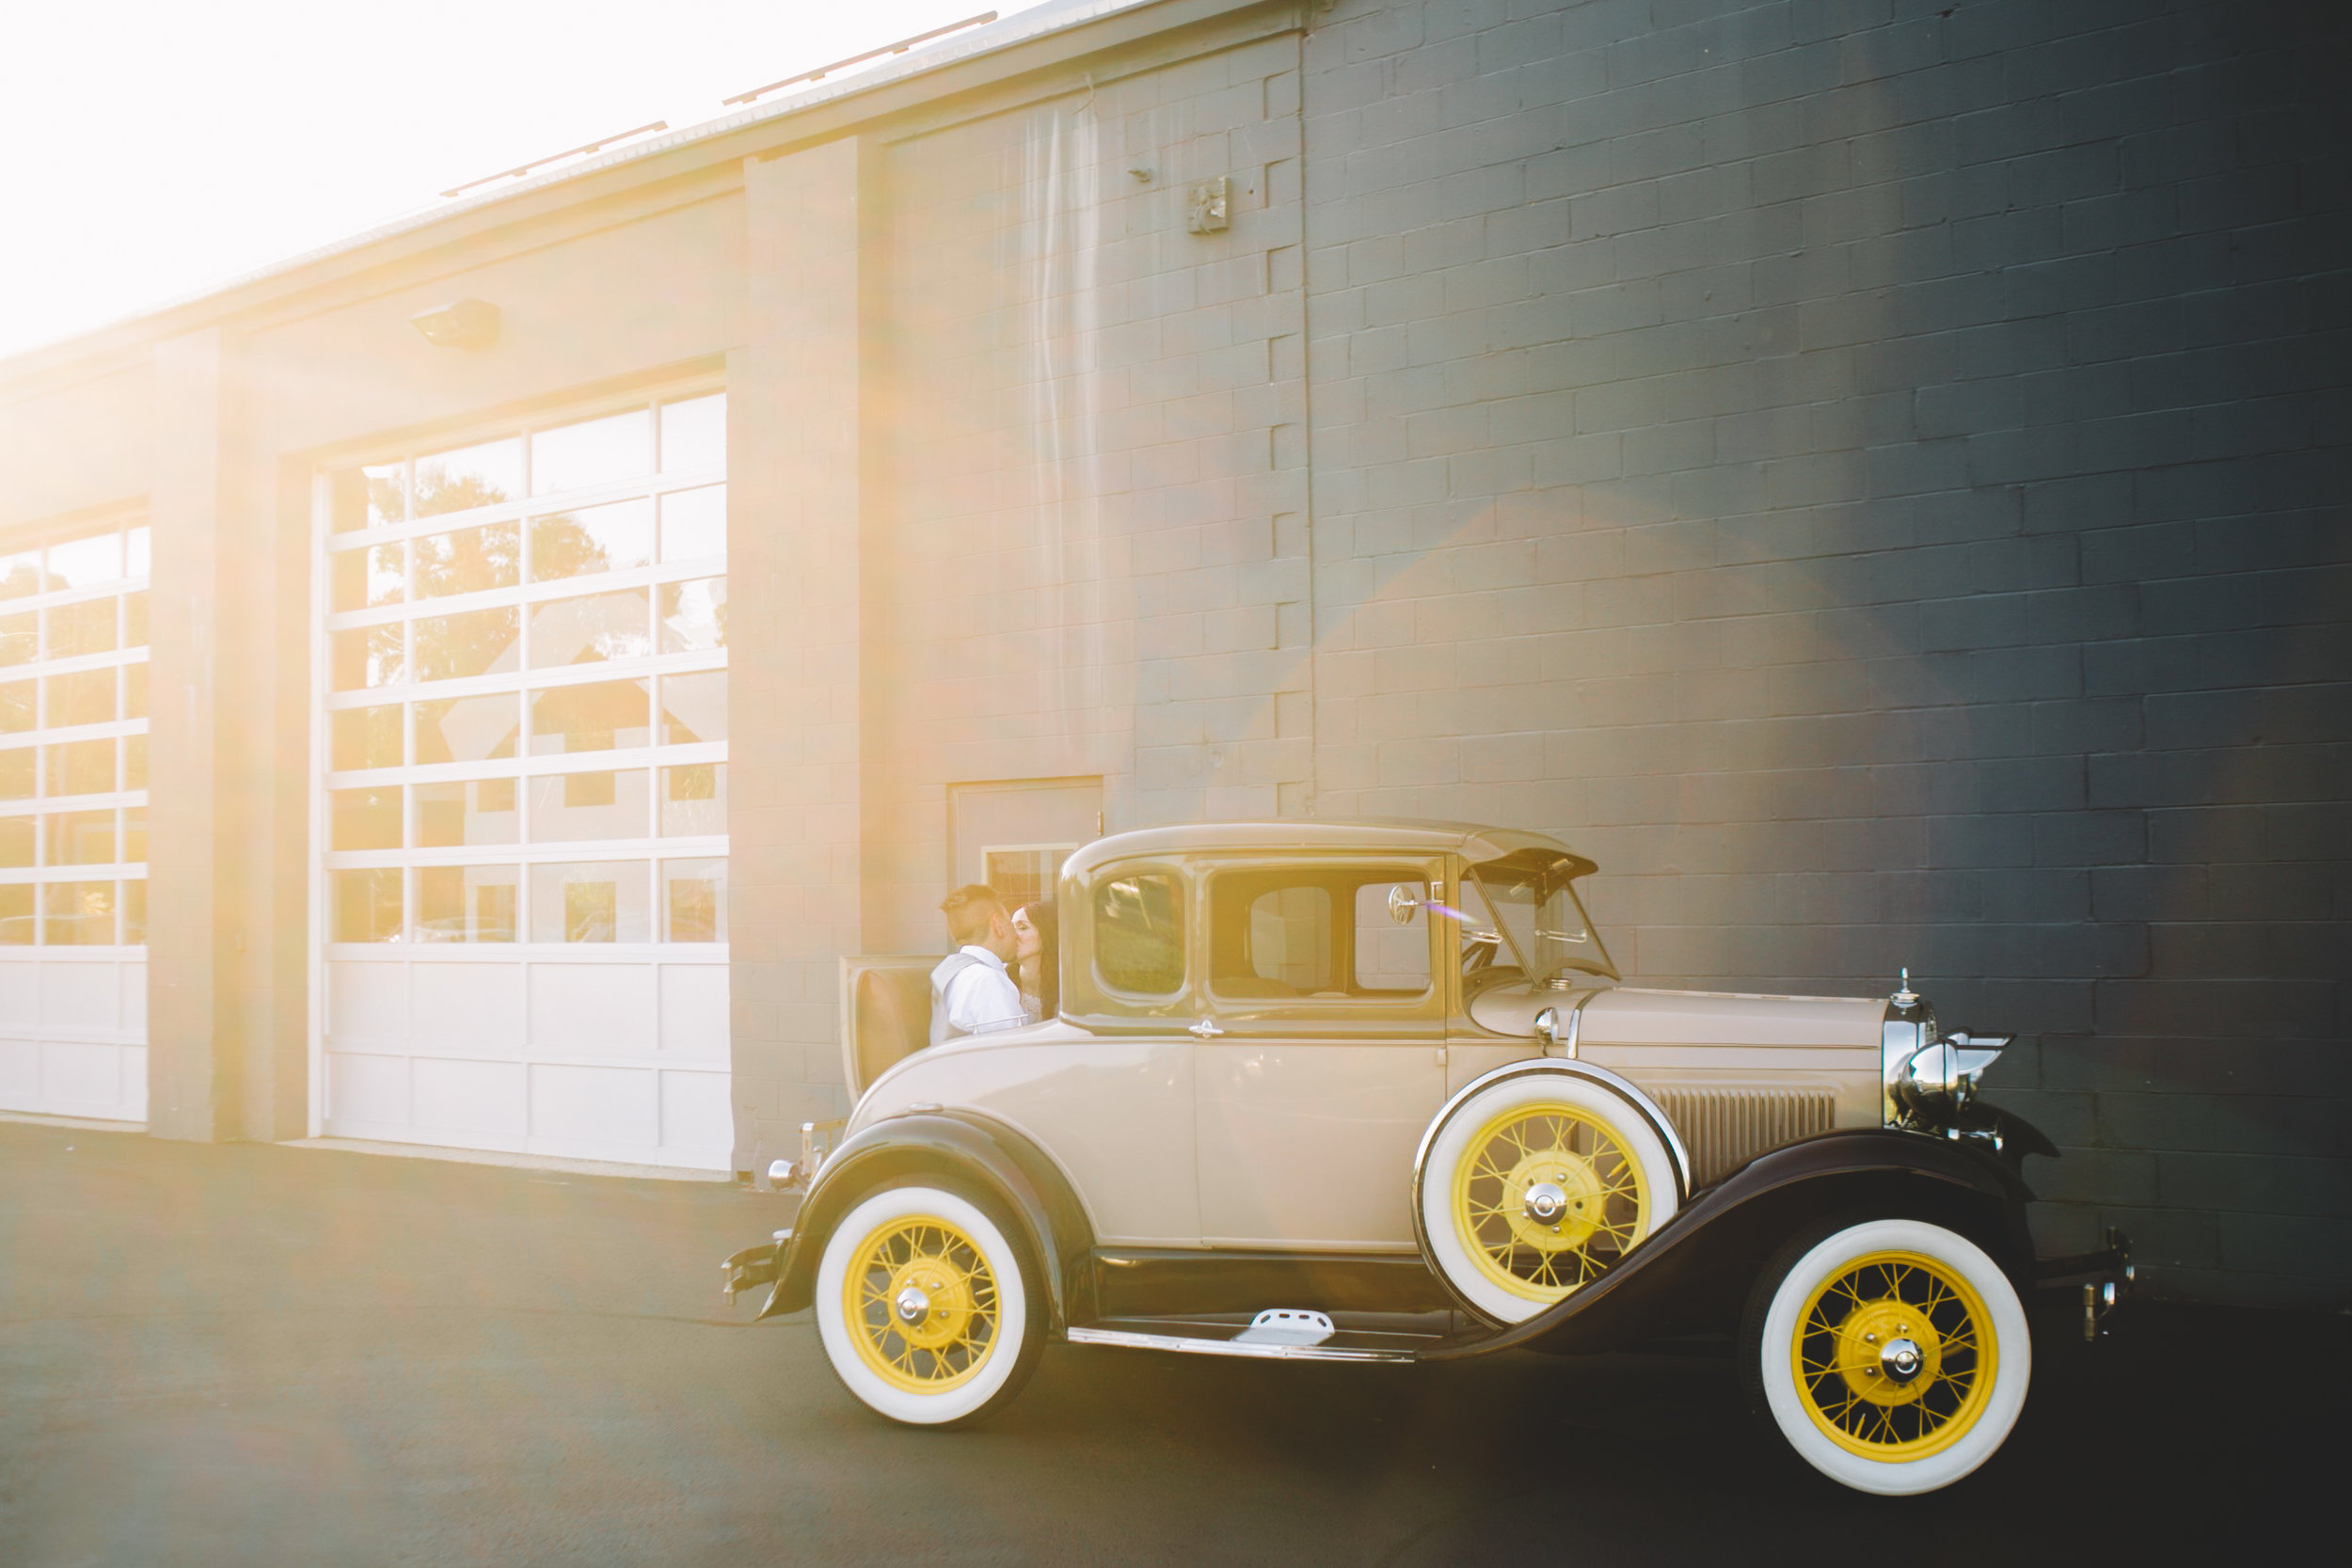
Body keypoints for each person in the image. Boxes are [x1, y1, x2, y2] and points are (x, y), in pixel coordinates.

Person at [930, 884, 1027, 1046]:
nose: (1015, 933)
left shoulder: (955, 973)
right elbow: (1014, 1051)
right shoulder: (986, 980)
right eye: (1010, 922)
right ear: (997, 925)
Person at [1011, 900, 1057, 1022]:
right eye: (1011, 929)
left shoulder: (1068, 987)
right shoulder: (1002, 982)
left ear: (1046, 933)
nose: (1012, 935)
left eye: (1022, 927)